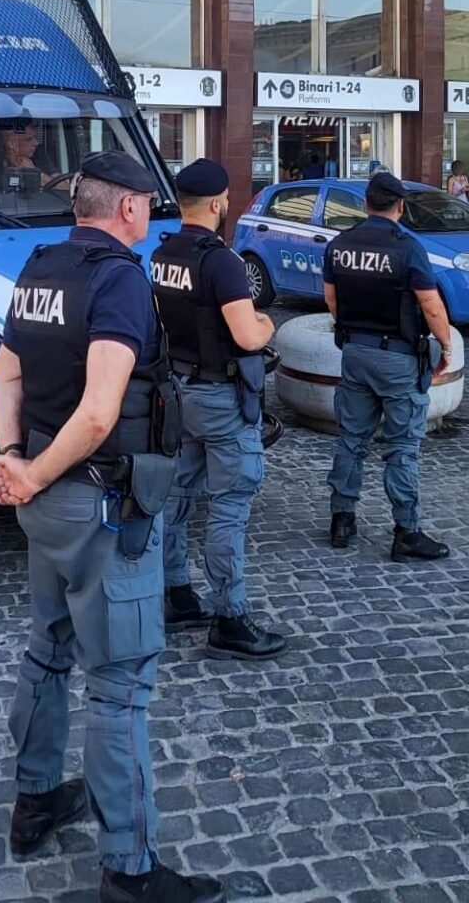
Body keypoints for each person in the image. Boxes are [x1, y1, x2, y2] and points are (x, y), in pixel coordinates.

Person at [0, 150, 223, 903]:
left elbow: (5, 376)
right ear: (125, 209)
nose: (149, 216)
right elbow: (99, 411)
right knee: (119, 687)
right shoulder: (117, 279)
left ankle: (36, 800)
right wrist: (37, 471)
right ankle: (130, 870)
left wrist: (19, 463)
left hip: (44, 504)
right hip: (99, 505)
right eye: (145, 204)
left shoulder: (41, 268)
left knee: (48, 650)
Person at [151, 158, 285, 661]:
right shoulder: (221, 260)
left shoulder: (164, 254)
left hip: (180, 390)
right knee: (230, 503)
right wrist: (268, 324)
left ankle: (176, 593)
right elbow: (248, 335)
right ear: (215, 203)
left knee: (177, 494)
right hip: (220, 398)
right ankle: (230, 618)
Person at [323, 170, 454, 560]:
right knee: (401, 448)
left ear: (365, 204)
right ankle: (406, 532)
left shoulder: (340, 244)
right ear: (400, 206)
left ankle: (342, 520)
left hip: (355, 353)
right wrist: (446, 346)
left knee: (351, 439)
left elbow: (331, 299)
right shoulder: (407, 247)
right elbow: (430, 305)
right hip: (398, 356)